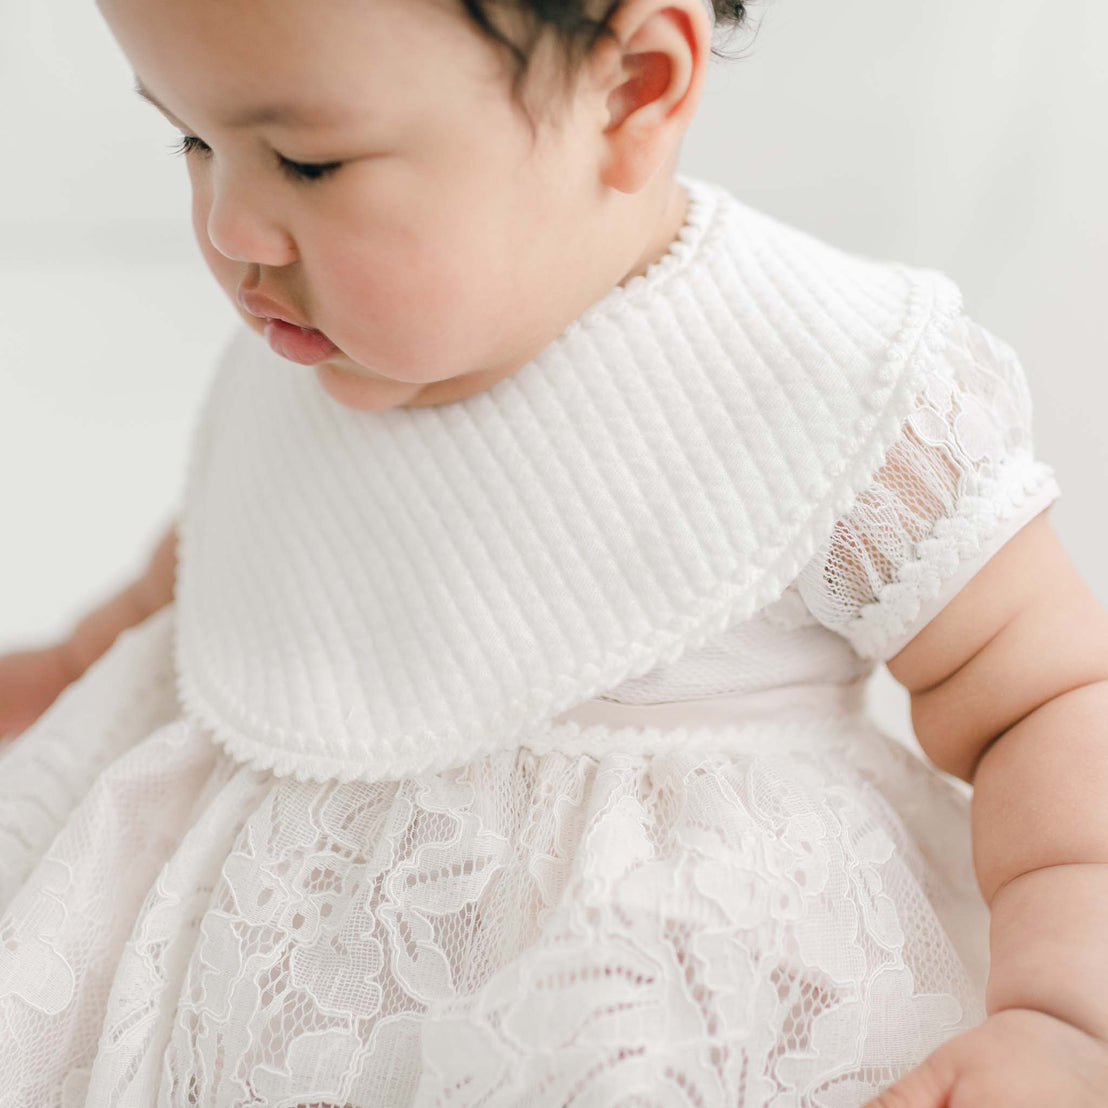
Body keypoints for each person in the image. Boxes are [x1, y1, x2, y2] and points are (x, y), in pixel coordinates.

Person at [1, 0, 1106, 1103]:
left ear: (628, 87)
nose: (230, 229)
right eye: (191, 139)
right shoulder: (315, 341)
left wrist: (1064, 1016)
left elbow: (1048, 698)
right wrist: (61, 673)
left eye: (307, 161)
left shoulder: (827, 386)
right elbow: (227, 556)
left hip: (639, 1017)